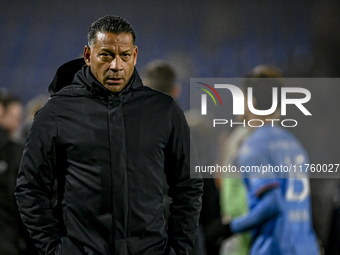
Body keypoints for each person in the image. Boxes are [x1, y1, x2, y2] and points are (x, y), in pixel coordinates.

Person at [15, 15, 203, 255]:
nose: (116, 65)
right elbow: (29, 188)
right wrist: (54, 250)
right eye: (106, 55)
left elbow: (188, 185)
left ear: (134, 55)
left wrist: (178, 249)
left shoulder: (164, 110)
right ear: (88, 55)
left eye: (124, 56)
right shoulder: (56, 112)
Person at [207, 65, 320, 255]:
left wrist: (229, 227)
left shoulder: (254, 146)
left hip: (275, 249)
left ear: (252, 101)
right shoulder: (294, 144)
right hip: (305, 248)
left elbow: (272, 204)